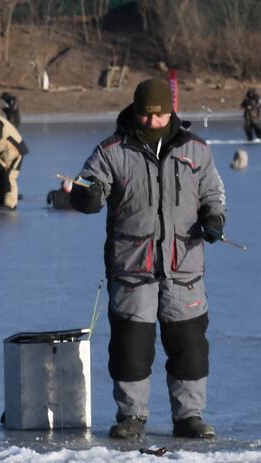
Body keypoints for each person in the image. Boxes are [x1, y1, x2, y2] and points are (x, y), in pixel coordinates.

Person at [65, 78, 226, 440]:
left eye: (159, 115)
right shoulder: (112, 150)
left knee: (189, 348)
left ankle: (189, 417)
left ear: (170, 112)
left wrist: (215, 218)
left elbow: (212, 192)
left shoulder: (195, 150)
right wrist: (85, 197)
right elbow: (88, 186)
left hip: (183, 266)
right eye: (145, 115)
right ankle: (132, 417)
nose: (152, 122)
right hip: (132, 267)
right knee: (131, 348)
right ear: (135, 112)